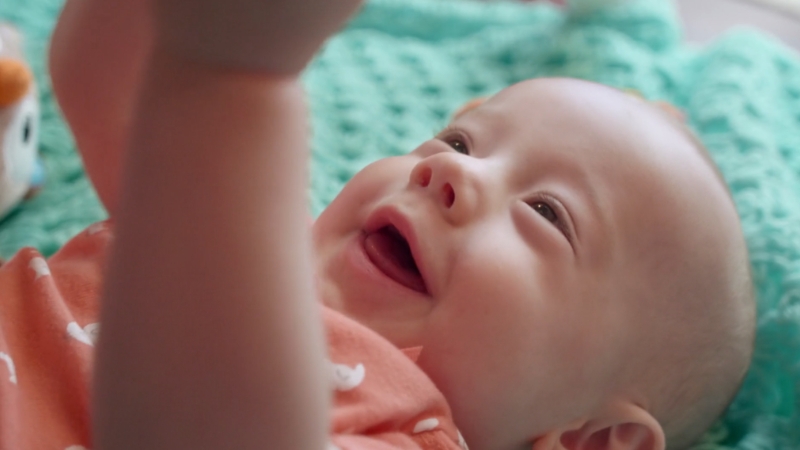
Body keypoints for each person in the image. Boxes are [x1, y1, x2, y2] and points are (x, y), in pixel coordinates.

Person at [0, 0, 755, 449]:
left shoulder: (411, 429)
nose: (450, 172)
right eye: (459, 142)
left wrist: (228, 83)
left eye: (547, 213)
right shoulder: (246, 239)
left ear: (590, 441)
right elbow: (116, 90)